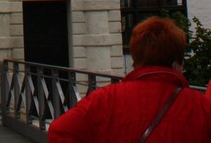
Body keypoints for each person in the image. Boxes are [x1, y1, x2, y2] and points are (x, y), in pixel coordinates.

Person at [48, 17, 211, 142]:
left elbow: (59, 131)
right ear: (176, 64)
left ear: (136, 59)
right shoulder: (201, 107)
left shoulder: (104, 99)